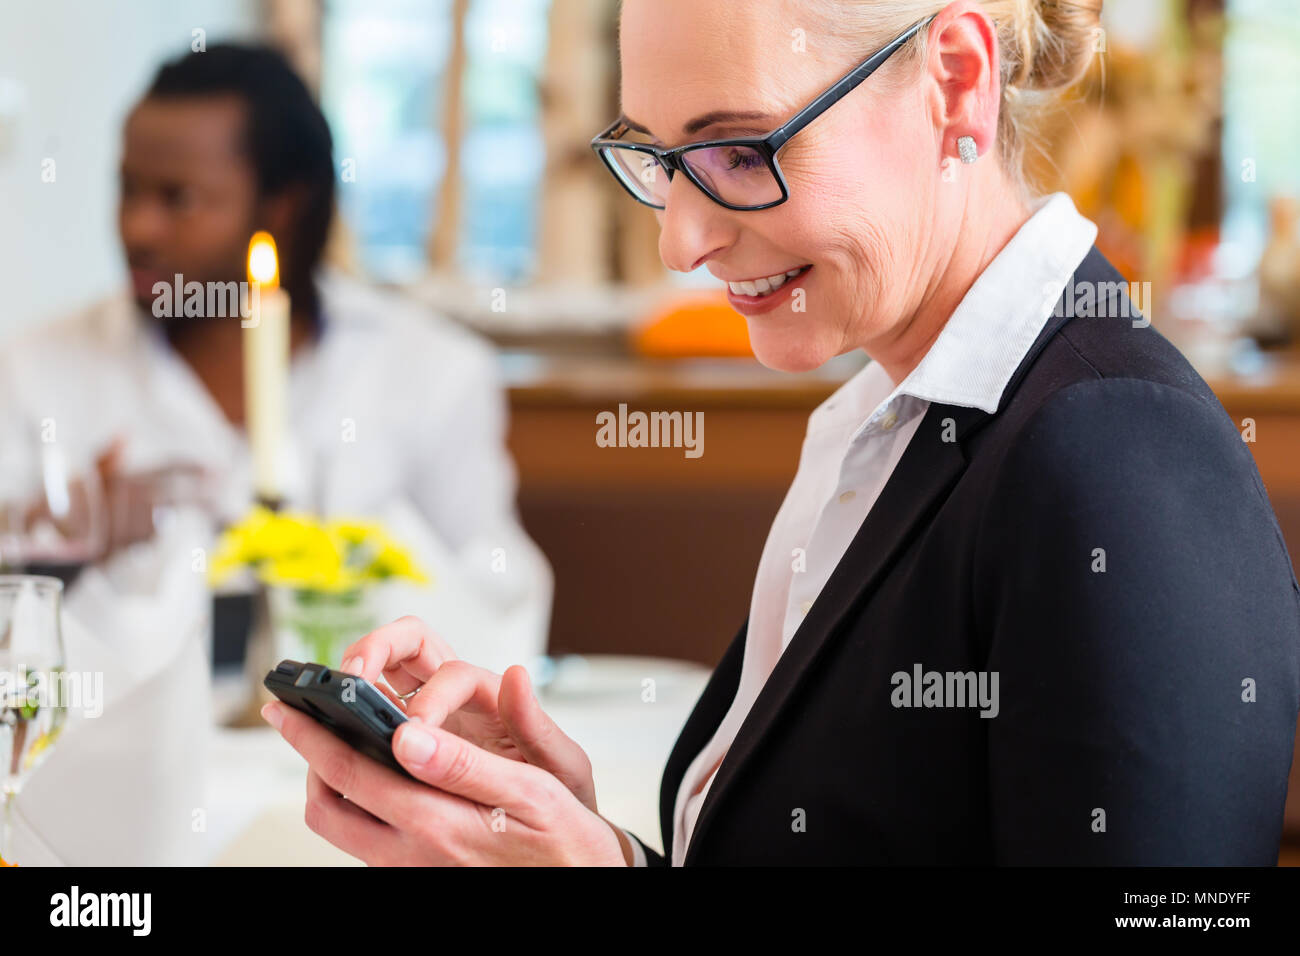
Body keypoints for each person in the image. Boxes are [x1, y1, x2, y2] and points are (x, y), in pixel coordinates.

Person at [263, 0, 1300, 865]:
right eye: (658, 157)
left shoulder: (1117, 455)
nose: (680, 237)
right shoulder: (880, 423)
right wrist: (578, 837)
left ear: (954, 80)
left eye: (736, 147)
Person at [0, 44, 550, 866]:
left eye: (176, 197)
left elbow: (499, 595)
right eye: (128, 190)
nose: (137, 226)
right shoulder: (37, 369)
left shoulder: (427, 371)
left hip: (365, 795)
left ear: (282, 205)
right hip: (119, 808)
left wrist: (368, 562)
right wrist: (56, 539)